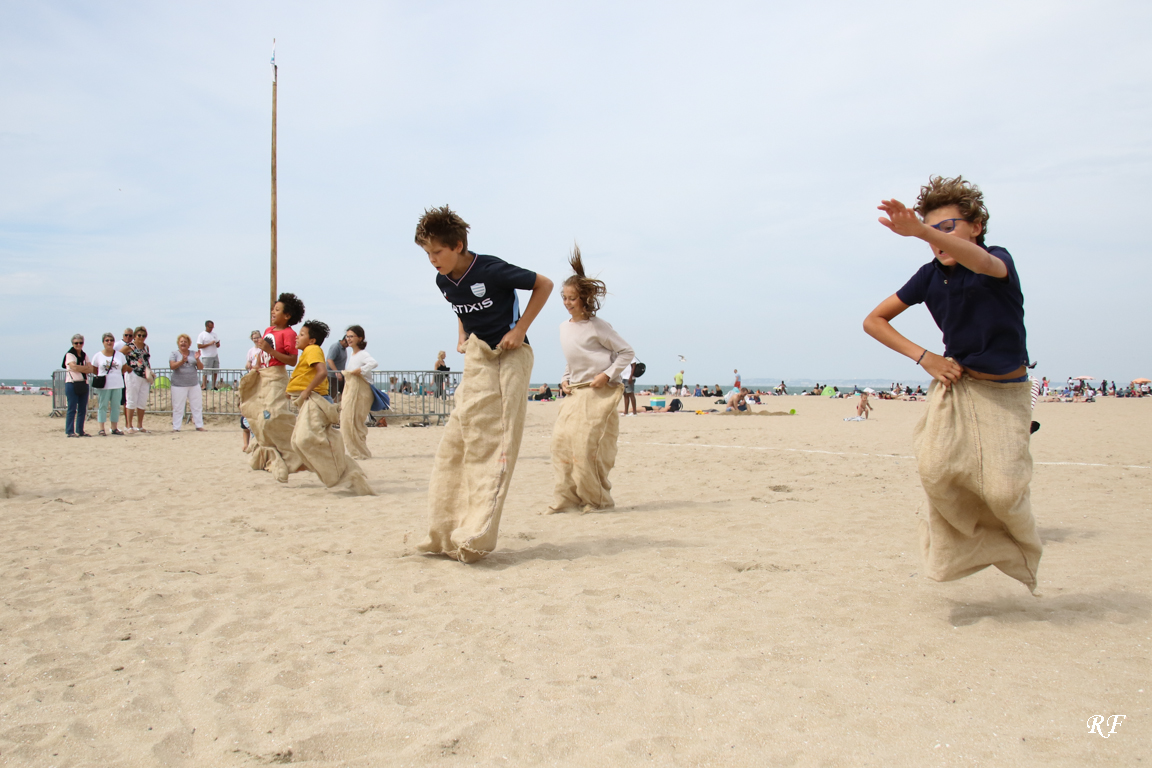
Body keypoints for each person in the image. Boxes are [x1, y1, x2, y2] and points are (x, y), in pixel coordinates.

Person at [863, 175, 1041, 592]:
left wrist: (921, 230)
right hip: (958, 386)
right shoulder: (928, 276)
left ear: (975, 226)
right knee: (935, 469)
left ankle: (1019, 549)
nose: (937, 241)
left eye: (948, 229)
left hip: (1005, 394)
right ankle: (962, 552)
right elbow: (874, 321)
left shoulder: (996, 262)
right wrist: (926, 358)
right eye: (931, 233)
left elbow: (980, 263)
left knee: (1001, 491)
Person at [415, 205, 553, 562]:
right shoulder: (443, 280)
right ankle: (445, 530)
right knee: (460, 437)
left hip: (510, 354)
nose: (432, 260)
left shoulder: (490, 269)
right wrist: (461, 336)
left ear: (457, 245)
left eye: (437, 252)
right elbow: (459, 309)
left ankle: (478, 532)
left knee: (496, 441)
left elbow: (544, 284)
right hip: (478, 357)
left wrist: (519, 329)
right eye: (427, 253)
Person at [550, 246, 634, 514]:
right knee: (561, 445)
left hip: (599, 393)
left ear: (584, 299)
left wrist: (606, 375)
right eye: (564, 297)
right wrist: (564, 378)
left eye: (572, 298)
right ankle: (568, 500)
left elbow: (627, 352)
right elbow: (573, 358)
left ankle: (596, 500)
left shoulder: (598, 326)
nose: (567, 302)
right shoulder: (564, 327)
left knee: (587, 447)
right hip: (574, 393)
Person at [241, 293, 305, 482]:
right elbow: (262, 353)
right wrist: (257, 364)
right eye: (273, 309)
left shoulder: (289, 334)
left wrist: (270, 351)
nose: (272, 312)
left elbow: (293, 360)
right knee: (258, 417)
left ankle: (294, 453)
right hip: (263, 376)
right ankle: (269, 455)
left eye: (277, 310)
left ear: (287, 315)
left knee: (274, 416)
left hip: (277, 377)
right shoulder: (269, 329)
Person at [340, 325, 377, 459]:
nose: (348, 339)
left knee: (356, 421)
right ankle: (357, 451)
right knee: (348, 420)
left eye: (351, 336)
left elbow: (373, 363)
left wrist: (360, 370)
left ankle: (361, 452)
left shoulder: (362, 354)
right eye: (347, 336)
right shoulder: (352, 354)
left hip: (361, 391)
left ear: (359, 338)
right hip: (351, 389)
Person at [91, 332, 130, 436]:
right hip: (104, 385)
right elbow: (95, 369)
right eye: (107, 340)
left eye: (111, 340)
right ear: (103, 342)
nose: (109, 342)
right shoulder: (98, 356)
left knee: (116, 406)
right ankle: (101, 428)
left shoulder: (120, 355)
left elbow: (124, 368)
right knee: (102, 406)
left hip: (117, 384)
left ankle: (114, 427)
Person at [170, 334, 205, 431]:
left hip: (193, 384)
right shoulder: (174, 353)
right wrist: (182, 361)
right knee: (178, 407)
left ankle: (199, 425)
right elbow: (172, 366)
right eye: (181, 342)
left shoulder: (193, 353)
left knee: (197, 406)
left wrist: (197, 359)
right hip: (178, 385)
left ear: (189, 344)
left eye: (185, 342)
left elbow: (201, 367)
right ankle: (176, 427)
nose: (183, 343)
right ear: (178, 343)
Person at [63, 334, 95, 437]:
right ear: (72, 344)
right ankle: (70, 431)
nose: (78, 345)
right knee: (72, 408)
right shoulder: (70, 355)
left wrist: (80, 368)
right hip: (72, 383)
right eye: (76, 343)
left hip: (83, 383)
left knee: (82, 409)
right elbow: (73, 367)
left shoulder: (84, 355)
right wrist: (84, 368)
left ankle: (80, 430)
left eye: (80, 343)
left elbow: (91, 368)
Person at [122, 326, 153, 433]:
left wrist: (150, 371)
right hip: (133, 374)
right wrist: (127, 367)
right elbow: (119, 356)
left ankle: (139, 425)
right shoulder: (130, 346)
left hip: (144, 375)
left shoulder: (146, 347)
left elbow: (145, 360)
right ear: (135, 336)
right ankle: (129, 425)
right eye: (139, 335)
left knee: (142, 400)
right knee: (131, 399)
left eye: (143, 335)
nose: (141, 337)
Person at [241, 331, 265, 449]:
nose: (256, 339)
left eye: (258, 337)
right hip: (253, 375)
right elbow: (248, 362)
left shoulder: (263, 349)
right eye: (254, 338)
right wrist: (248, 365)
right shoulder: (251, 351)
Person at [113, 327, 134, 425]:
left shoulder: (135, 345)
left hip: (131, 374)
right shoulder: (117, 345)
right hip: (120, 374)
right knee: (119, 400)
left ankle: (128, 423)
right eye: (126, 335)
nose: (128, 337)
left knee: (128, 399)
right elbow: (114, 357)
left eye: (130, 336)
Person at [197, 320, 221, 390]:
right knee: (205, 372)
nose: (211, 329)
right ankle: (204, 385)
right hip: (206, 356)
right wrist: (209, 344)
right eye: (210, 327)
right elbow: (199, 346)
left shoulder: (214, 334)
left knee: (215, 371)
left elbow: (218, 345)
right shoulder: (202, 335)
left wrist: (217, 344)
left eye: (212, 327)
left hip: (215, 355)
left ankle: (213, 386)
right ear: (206, 326)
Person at [326, 332, 349, 404]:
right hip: (332, 376)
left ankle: (334, 403)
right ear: (344, 340)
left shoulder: (344, 348)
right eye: (347, 343)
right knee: (331, 394)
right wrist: (336, 372)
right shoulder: (335, 347)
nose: (348, 345)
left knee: (346, 392)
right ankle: (329, 406)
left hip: (341, 375)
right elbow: (329, 360)